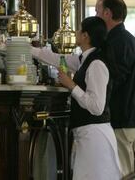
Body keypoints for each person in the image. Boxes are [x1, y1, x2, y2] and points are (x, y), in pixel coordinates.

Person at [31, 16, 121, 180]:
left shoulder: (97, 64)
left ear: (86, 36)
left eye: (79, 30)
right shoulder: (84, 59)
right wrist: (28, 49)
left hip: (95, 134)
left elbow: (96, 106)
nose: (76, 33)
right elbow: (57, 59)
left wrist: (71, 85)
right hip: (87, 133)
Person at [95, 0, 135, 175]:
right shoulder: (126, 39)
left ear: (107, 13)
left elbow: (113, 79)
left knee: (122, 170)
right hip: (125, 115)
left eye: (97, 11)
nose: (95, 16)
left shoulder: (118, 42)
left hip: (121, 116)